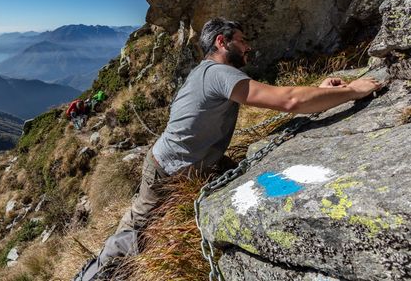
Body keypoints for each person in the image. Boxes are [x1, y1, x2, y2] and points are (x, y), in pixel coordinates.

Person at [73, 17, 382, 280]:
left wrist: (319, 91)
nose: (248, 46)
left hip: (174, 164)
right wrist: (354, 90)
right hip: (168, 172)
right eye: (242, 40)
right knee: (135, 238)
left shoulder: (205, 73)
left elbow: (276, 97)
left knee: (135, 223)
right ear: (222, 42)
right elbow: (288, 101)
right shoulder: (219, 74)